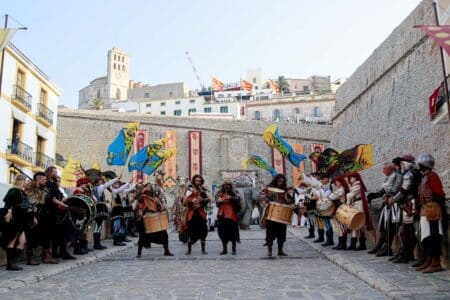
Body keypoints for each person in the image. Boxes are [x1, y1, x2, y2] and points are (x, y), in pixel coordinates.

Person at [387, 155, 421, 263]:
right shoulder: (414, 173)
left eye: (402, 163)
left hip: (410, 204)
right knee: (407, 230)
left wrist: (393, 199)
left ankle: (406, 254)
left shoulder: (409, 174)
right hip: (410, 203)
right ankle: (405, 253)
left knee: (406, 231)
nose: (401, 165)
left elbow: (404, 191)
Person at [414, 154, 446, 273]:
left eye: (420, 164)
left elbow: (440, 195)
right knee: (426, 237)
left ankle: (436, 263)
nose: (418, 166)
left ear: (424, 165)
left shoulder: (433, 177)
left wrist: (432, 200)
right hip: (425, 210)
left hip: (432, 211)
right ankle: (428, 260)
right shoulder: (425, 177)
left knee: (434, 237)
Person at [367, 163, 402, 256]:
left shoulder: (396, 176)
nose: (383, 171)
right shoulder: (389, 177)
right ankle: (381, 246)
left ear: (391, 169)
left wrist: (385, 195)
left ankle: (386, 248)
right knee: (384, 226)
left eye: (385, 169)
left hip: (394, 204)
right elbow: (384, 189)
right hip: (387, 204)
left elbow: (393, 189)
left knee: (390, 227)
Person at [1, 174, 32, 270]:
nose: (27, 182)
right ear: (20, 180)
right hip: (15, 218)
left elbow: (26, 205)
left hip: (21, 219)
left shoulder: (23, 192)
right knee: (12, 240)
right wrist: (9, 211)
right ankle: (10, 265)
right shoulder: (13, 190)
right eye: (25, 180)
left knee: (23, 241)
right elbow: (8, 203)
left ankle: (13, 262)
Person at [135, 183, 173, 258]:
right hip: (146, 218)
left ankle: (166, 251)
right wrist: (142, 191)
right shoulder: (142, 197)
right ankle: (139, 253)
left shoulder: (154, 197)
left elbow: (159, 205)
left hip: (155, 219)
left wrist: (160, 208)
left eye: (150, 187)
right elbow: (136, 198)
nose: (149, 188)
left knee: (164, 234)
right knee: (142, 236)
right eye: (147, 186)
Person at [259, 174, 292, 257]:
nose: (281, 182)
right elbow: (261, 197)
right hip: (271, 213)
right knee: (270, 233)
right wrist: (266, 199)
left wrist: (287, 200)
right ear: (276, 180)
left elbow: (289, 201)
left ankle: (280, 250)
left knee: (281, 233)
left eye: (282, 181)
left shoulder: (284, 190)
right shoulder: (269, 188)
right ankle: (269, 250)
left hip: (281, 215)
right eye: (279, 181)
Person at [184, 175, 210, 255]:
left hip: (200, 213)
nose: (198, 182)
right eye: (196, 181)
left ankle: (203, 250)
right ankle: (189, 250)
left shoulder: (203, 190)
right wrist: (192, 200)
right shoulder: (189, 189)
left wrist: (202, 200)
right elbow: (184, 200)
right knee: (191, 231)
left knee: (203, 230)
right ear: (193, 181)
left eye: (199, 181)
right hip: (192, 213)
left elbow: (208, 199)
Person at [92, 176, 120, 250]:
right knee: (98, 226)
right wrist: (116, 179)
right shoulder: (99, 188)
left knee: (98, 226)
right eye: (100, 182)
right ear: (97, 183)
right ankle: (96, 244)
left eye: (102, 182)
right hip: (99, 208)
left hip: (98, 207)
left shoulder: (94, 189)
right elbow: (106, 185)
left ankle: (97, 244)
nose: (101, 183)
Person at [345, 172, 372, 250]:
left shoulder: (357, 185)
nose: (350, 180)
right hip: (355, 204)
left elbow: (350, 195)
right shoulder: (353, 186)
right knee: (354, 224)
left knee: (360, 224)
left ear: (355, 178)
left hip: (359, 205)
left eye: (351, 178)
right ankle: (353, 243)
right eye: (349, 178)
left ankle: (362, 244)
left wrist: (348, 195)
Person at [216, 179, 241, 255]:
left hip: (231, 215)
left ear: (230, 185)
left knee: (233, 232)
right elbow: (217, 203)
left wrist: (231, 198)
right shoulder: (220, 193)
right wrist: (219, 201)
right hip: (222, 215)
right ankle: (224, 249)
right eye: (225, 185)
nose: (226, 187)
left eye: (228, 185)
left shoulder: (234, 192)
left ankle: (233, 249)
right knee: (222, 233)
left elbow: (238, 199)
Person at [329, 177, 350, 250]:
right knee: (340, 226)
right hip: (339, 207)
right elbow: (331, 196)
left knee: (342, 226)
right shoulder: (339, 189)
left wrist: (333, 195)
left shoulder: (342, 189)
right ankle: (340, 243)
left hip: (342, 207)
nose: (335, 183)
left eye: (337, 182)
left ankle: (343, 243)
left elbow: (333, 197)